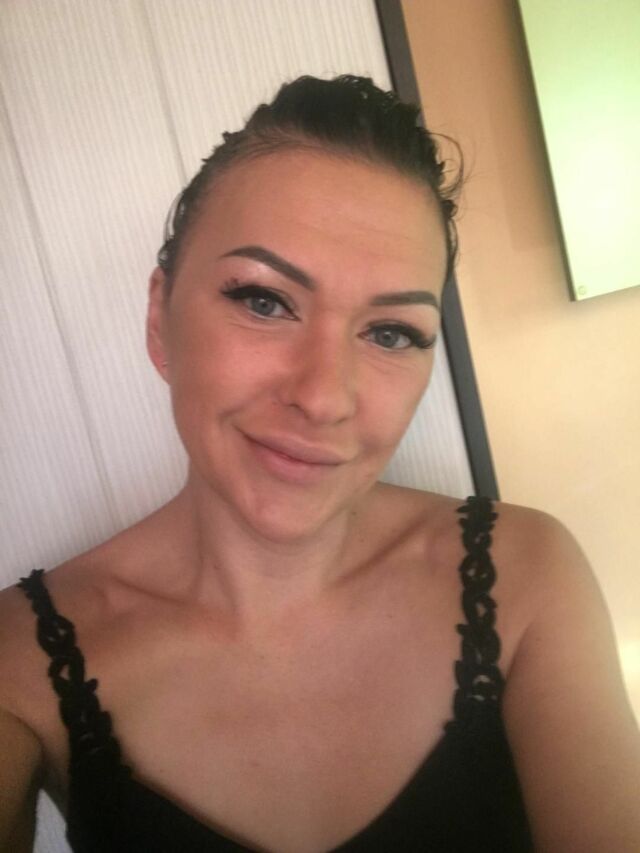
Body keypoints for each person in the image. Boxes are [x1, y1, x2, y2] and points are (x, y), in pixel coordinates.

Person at [0, 74, 639, 853]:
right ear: (160, 318)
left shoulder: (524, 573)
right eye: (264, 300)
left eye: (391, 332)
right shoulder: (19, 662)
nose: (324, 397)